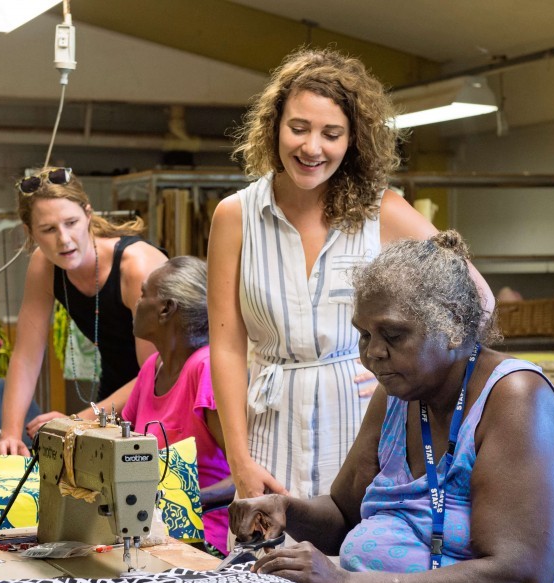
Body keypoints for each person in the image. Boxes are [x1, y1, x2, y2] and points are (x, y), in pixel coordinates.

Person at [229, 231, 554, 583]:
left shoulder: (514, 398)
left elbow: (516, 578)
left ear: (454, 326)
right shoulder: (401, 394)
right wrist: (287, 510)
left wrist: (344, 582)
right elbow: (345, 514)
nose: (372, 354)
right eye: (363, 334)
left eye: (393, 335)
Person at [207, 48, 495, 502]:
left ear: (353, 140)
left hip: (361, 431)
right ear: (275, 126)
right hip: (269, 436)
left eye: (331, 133)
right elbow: (224, 347)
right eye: (298, 128)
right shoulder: (235, 216)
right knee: (264, 564)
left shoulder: (384, 212)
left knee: (352, 565)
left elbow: (477, 299)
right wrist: (240, 462)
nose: (311, 147)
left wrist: (411, 370)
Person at [0, 168, 167, 456]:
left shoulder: (135, 266)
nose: (64, 239)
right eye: (48, 229)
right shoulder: (44, 266)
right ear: (30, 232)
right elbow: (25, 356)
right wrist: (11, 434)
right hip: (114, 394)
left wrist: (77, 421)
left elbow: (156, 371)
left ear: (88, 214)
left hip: (165, 396)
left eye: (71, 222)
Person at [122, 256, 234, 555]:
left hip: (201, 538)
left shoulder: (205, 369)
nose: (137, 301)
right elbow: (121, 446)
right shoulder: (152, 368)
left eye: (144, 293)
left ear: (166, 309)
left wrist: (181, 498)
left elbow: (244, 476)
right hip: (151, 530)